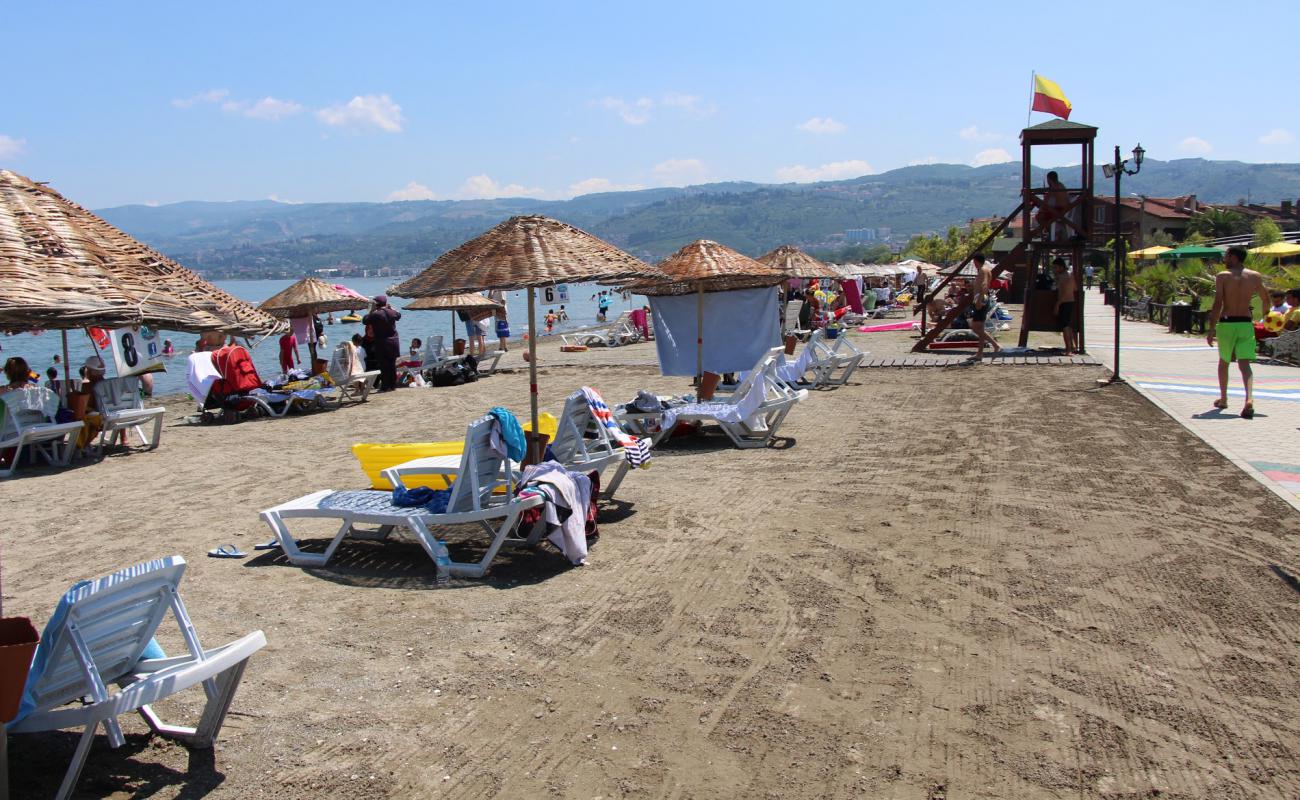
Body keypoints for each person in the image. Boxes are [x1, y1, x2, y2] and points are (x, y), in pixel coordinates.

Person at [1207, 246, 1271, 418]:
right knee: (1245, 364)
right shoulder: (1254, 276)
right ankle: (1249, 398)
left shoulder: (1223, 276)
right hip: (1245, 322)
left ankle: (1224, 398)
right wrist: (1268, 318)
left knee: (1224, 361)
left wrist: (1211, 328)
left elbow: (1218, 303)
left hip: (1227, 322)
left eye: (1227, 255)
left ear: (1234, 257)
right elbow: (1266, 299)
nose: (1225, 258)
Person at [362, 295, 402, 392]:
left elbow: (365, 320)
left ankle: (385, 386)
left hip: (382, 342)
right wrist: (391, 308)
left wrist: (371, 310)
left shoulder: (376, 314)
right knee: (392, 364)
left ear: (376, 304)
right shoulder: (392, 312)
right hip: (394, 341)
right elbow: (399, 315)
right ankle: (392, 385)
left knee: (384, 365)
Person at [967, 253, 1002, 360]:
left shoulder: (983, 270)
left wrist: (979, 299)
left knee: (975, 327)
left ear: (976, 261)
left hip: (981, 299)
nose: (974, 265)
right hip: (981, 298)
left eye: (974, 262)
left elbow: (985, 285)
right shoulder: (985, 270)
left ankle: (996, 345)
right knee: (980, 328)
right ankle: (980, 354)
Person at [1052, 258, 1078, 355]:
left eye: (1055, 267)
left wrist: (1057, 305)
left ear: (1061, 267)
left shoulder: (1063, 277)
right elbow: (1075, 288)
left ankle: (1068, 350)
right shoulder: (1070, 274)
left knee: (1065, 326)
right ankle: (1073, 347)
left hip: (1064, 302)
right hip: (1071, 301)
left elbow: (1063, 292)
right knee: (1068, 325)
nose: (1054, 269)